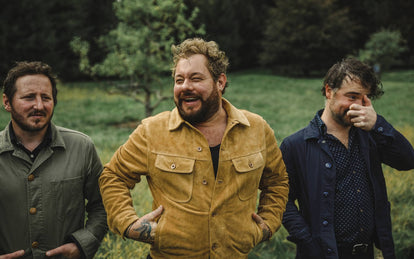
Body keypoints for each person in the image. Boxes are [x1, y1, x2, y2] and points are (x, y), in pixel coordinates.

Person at [99, 38, 289, 258]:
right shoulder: (152, 131)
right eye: (179, 80)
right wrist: (128, 223)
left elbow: (277, 181)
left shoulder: (256, 129)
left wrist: (267, 225)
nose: (185, 86)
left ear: (220, 82)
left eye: (196, 78)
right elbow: (113, 176)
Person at [280, 58, 414, 259]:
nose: (358, 106)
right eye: (352, 97)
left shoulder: (371, 136)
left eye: (365, 99)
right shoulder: (296, 145)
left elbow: (407, 161)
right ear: (328, 91)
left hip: (371, 252)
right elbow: (282, 201)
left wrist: (378, 124)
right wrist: (307, 240)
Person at [0, 61, 108, 259]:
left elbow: (103, 206)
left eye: (46, 98)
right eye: (29, 97)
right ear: (7, 102)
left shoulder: (82, 147)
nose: (39, 106)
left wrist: (82, 245)